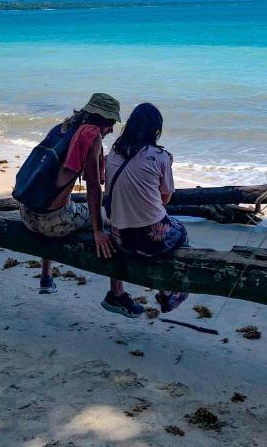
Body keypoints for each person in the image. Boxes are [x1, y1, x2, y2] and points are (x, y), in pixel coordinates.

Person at [17, 92, 145, 317]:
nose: (112, 130)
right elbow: (93, 187)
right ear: (102, 120)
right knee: (114, 221)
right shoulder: (91, 135)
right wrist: (98, 231)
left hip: (27, 214)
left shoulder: (62, 128)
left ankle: (46, 278)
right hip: (53, 222)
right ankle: (116, 294)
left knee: (62, 202)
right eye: (112, 123)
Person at [104, 102, 189, 314]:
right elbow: (165, 198)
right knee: (180, 233)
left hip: (119, 235)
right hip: (149, 238)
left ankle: (117, 291)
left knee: (150, 229)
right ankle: (168, 292)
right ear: (156, 130)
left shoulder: (114, 152)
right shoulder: (161, 157)